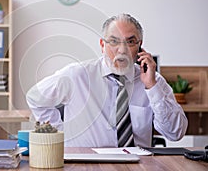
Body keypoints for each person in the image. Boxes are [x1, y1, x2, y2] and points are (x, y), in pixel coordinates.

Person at [26, 13, 188, 147]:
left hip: (138, 166)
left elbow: (175, 133)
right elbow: (35, 97)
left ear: (140, 46)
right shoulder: (77, 75)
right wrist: (60, 133)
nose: (122, 50)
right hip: (86, 165)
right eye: (113, 41)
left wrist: (152, 88)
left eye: (130, 42)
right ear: (102, 45)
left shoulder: (153, 80)